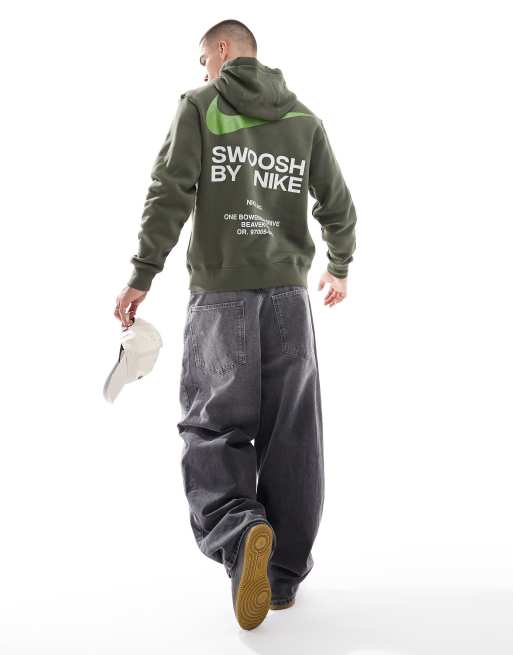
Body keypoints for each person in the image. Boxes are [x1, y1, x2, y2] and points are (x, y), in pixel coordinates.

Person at [114, 19, 357, 629]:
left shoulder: (200, 106)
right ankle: (283, 579)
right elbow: (338, 206)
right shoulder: (303, 119)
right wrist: (339, 267)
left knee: (213, 426)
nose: (203, 70)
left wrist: (142, 274)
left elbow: (170, 190)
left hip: (221, 298)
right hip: (289, 301)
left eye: (204, 58)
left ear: (222, 50)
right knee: (293, 437)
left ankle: (241, 528)